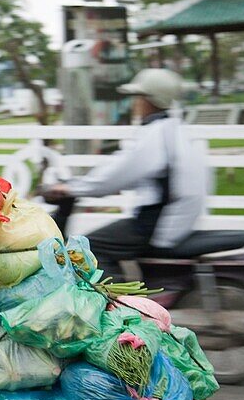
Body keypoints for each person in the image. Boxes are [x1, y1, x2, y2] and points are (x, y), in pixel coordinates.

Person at [42, 68, 206, 278]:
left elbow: (114, 176)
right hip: (174, 218)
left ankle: (119, 305)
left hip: (159, 225)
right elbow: (126, 171)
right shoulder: (175, 129)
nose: (135, 103)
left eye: (138, 97)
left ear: (149, 100)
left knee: (87, 250)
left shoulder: (156, 135)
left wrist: (70, 188)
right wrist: (81, 185)